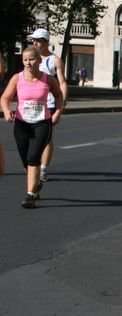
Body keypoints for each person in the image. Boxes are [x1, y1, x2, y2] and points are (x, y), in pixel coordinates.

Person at [1, 47, 63, 208]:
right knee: (25, 159)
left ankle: (30, 196)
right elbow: (5, 97)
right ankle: (35, 187)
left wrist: (57, 112)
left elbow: (58, 95)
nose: (28, 63)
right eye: (25, 60)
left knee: (33, 157)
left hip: (42, 122)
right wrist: (7, 111)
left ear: (39, 60)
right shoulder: (17, 78)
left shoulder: (48, 79)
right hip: (22, 123)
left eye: (31, 59)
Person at [29, 28, 68, 183]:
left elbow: (62, 82)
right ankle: (34, 164)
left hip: (50, 103)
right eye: (33, 40)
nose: (35, 43)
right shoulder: (30, 59)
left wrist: (61, 105)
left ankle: (43, 168)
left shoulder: (55, 61)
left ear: (46, 42)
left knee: (46, 136)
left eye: (38, 40)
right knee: (31, 136)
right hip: (32, 104)